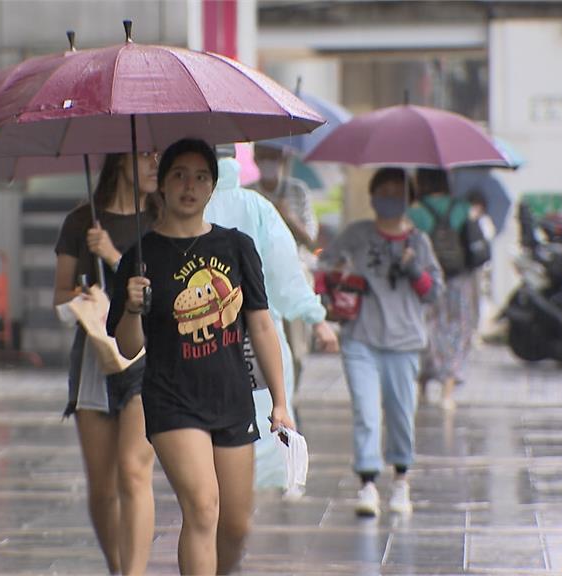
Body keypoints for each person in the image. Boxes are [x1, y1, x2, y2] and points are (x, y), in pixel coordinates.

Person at [107, 139, 295, 575]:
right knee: (203, 507)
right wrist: (133, 308)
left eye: (200, 177)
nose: (189, 186)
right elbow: (129, 346)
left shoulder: (237, 247)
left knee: (235, 525)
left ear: (213, 187)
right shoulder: (140, 257)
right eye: (178, 175)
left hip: (232, 397)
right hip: (172, 399)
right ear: (162, 186)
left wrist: (281, 402)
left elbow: (262, 325)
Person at [204, 145, 338, 494]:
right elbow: (285, 275)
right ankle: (243, 501)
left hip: (198, 336)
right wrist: (315, 317)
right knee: (262, 425)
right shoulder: (257, 207)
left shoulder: (181, 212)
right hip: (258, 336)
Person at [52, 152, 159, 575]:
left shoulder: (160, 219)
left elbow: (163, 294)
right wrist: (84, 297)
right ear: (119, 161)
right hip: (95, 360)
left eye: (158, 156)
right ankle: (118, 567)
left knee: (134, 471)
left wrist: (115, 257)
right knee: (102, 488)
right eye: (146, 155)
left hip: (148, 359)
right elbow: (59, 296)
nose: (155, 164)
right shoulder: (82, 222)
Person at [318, 167, 443, 517]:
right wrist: (337, 279)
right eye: (382, 191)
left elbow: (433, 292)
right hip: (360, 338)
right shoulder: (356, 234)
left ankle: (401, 480)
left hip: (403, 343)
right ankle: (368, 484)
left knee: (402, 415)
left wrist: (414, 270)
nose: (388, 199)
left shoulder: (419, 242)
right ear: (372, 197)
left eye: (396, 192)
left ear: (409, 199)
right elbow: (325, 267)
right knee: (367, 412)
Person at [250, 142, 320, 392]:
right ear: (256, 158)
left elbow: (311, 240)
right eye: (264, 155)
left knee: (297, 348)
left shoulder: (297, 191)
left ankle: (292, 395)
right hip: (258, 275)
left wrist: (287, 217)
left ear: (283, 158)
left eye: (274, 156)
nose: (269, 161)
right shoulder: (248, 194)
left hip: (293, 273)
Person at [407, 167, 477, 410]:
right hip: (460, 278)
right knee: (458, 328)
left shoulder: (414, 212)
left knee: (428, 326)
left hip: (426, 279)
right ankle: (448, 390)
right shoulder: (462, 208)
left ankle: (422, 386)